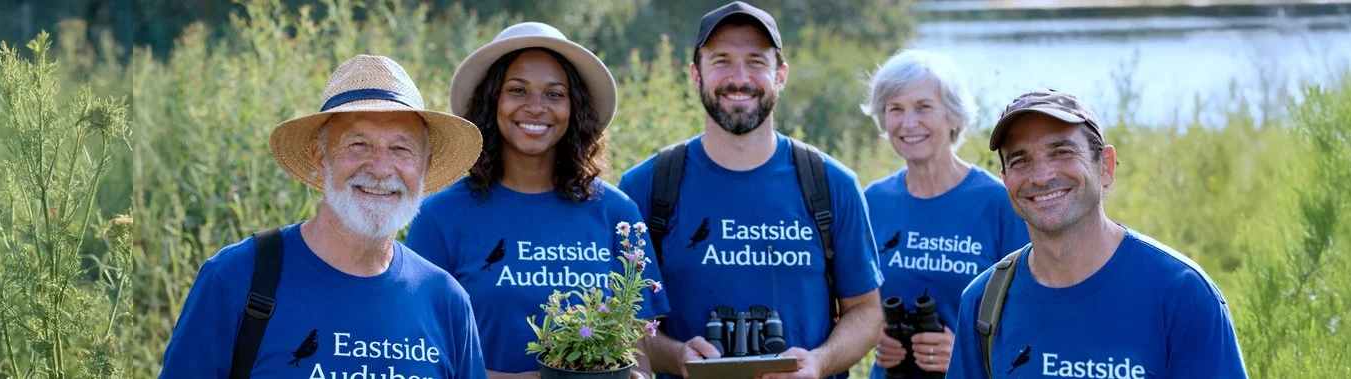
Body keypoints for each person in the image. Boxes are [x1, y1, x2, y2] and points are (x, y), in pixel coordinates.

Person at [159, 55, 488, 379]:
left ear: (425, 167)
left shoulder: (446, 302)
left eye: (401, 149)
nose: (380, 168)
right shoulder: (237, 278)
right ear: (321, 158)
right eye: (358, 144)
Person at [615, 2, 883, 378]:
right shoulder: (645, 186)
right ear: (695, 75)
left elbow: (867, 311)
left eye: (756, 61)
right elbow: (625, 322)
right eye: (721, 60)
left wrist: (819, 362)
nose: (739, 77)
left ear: (781, 75)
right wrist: (676, 356)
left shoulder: (832, 184)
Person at [408, 22, 666, 379]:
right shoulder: (439, 218)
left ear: (575, 108)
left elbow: (637, 350)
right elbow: (422, 361)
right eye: (517, 90)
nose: (536, 107)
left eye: (555, 94)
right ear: (492, 101)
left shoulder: (618, 214)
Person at [946, 90, 1247, 378]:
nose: (1041, 176)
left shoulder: (1182, 295)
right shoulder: (984, 302)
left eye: (1062, 151)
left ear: (1105, 166)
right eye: (1020, 160)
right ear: (1006, 180)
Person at [856, 50, 1027, 377]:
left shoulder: (999, 203)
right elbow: (854, 303)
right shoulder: (873, 200)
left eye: (923, 107)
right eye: (895, 109)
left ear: (953, 116)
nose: (908, 123)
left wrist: (967, 350)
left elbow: (1032, 313)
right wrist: (874, 332)